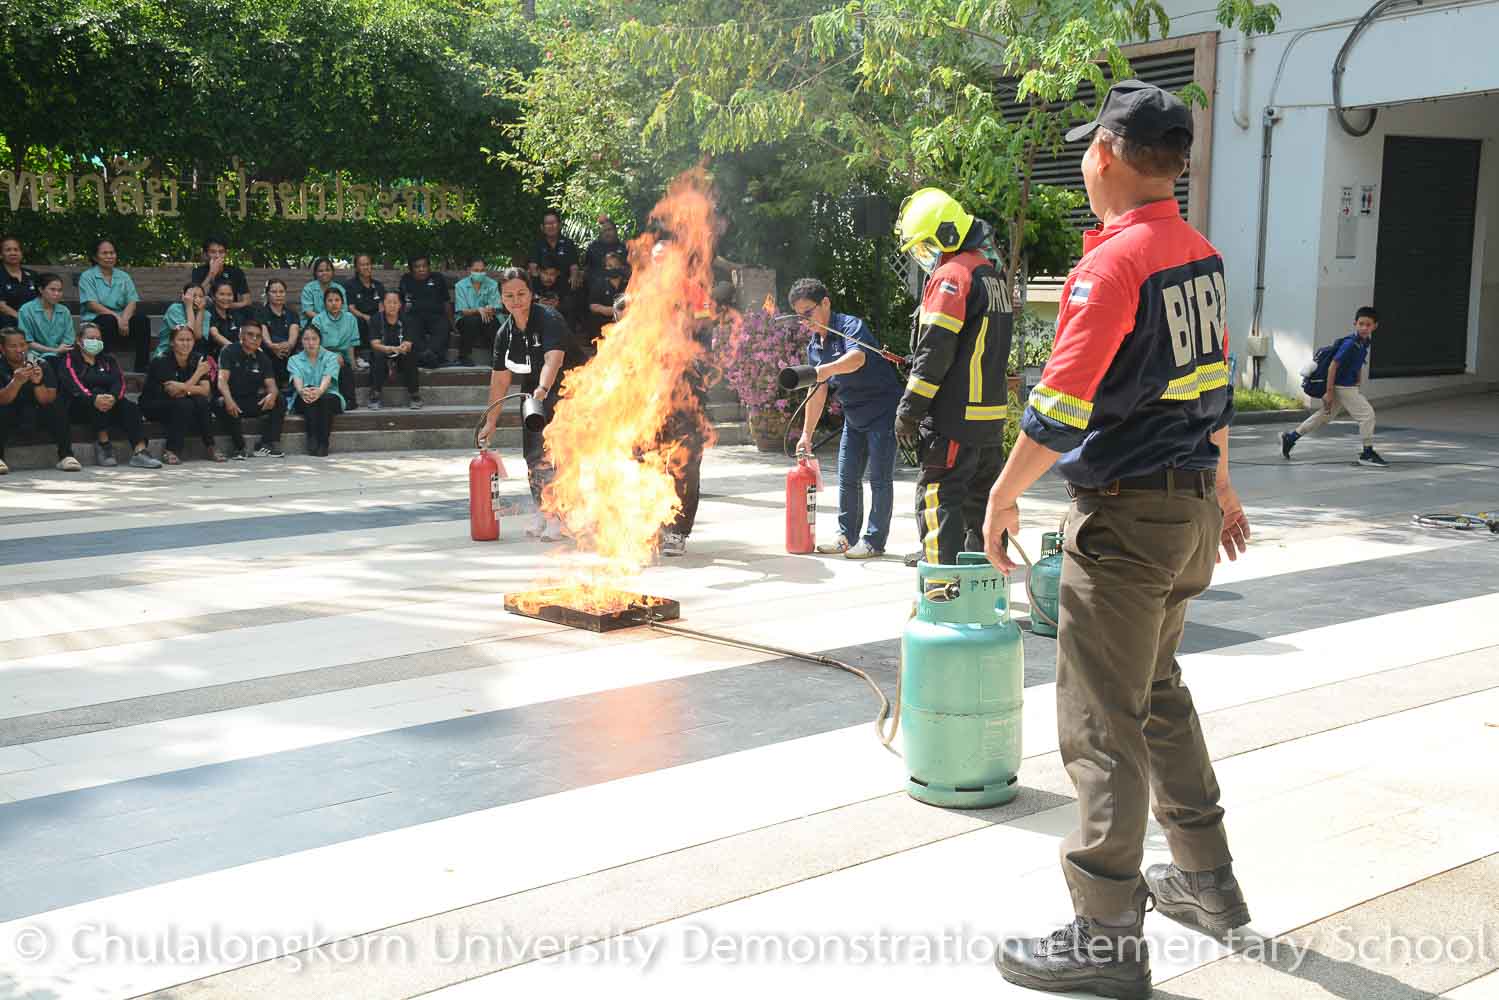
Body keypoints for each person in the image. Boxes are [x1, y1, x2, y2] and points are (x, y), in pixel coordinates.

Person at [981, 81, 1252, 999]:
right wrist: (1221, 488)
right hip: (1187, 515)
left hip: (1128, 519)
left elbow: (1059, 406)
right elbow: (1211, 386)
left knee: (1101, 721)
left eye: (1086, 150)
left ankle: (1103, 935)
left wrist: (1001, 495)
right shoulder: (1199, 256)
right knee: (1157, 694)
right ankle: (1206, 882)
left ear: (1102, 153)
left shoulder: (1112, 266)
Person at [892, 187, 1013, 567]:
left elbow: (935, 354)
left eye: (925, 246)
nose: (924, 255)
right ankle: (985, 588)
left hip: (953, 420)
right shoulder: (990, 274)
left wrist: (909, 412)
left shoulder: (952, 276)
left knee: (938, 501)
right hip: (989, 419)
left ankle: (941, 590)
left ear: (946, 234)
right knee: (983, 510)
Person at [790, 278, 903, 559]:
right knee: (847, 477)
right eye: (799, 317)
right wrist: (806, 435)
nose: (805, 322)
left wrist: (823, 370)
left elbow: (857, 359)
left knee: (879, 479)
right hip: (853, 417)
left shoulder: (850, 326)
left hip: (882, 411)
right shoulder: (815, 345)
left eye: (808, 313)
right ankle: (846, 536)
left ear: (825, 303)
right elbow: (817, 391)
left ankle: (874, 541)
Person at [478, 269, 566, 541]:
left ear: (531, 293)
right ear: (501, 298)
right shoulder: (504, 333)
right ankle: (544, 510)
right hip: (533, 393)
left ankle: (560, 516)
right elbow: (500, 380)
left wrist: (543, 388)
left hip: (566, 387)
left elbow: (554, 360)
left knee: (559, 454)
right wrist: (491, 421)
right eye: (509, 296)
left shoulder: (549, 318)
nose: (515, 300)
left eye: (521, 294)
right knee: (534, 454)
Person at [651, 234, 715, 558]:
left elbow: (704, 336)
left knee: (685, 464)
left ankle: (678, 530)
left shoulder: (694, 292)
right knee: (646, 460)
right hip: (649, 392)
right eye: (657, 260)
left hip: (687, 392)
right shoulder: (643, 294)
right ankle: (651, 525)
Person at [1281, 307, 1387, 467]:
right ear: (1355, 324)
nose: (1364, 328)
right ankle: (1367, 453)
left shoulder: (1364, 342)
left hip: (1346, 385)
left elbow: (1358, 361)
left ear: (1375, 326)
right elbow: (1333, 366)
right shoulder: (1350, 343)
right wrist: (1329, 392)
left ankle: (1291, 437)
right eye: (1361, 324)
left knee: (1325, 416)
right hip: (1343, 386)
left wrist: (1358, 377)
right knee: (1367, 415)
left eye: (1368, 325)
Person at [57, 322, 161, 468]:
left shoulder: (108, 360)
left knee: (130, 407)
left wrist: (113, 397)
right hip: (80, 405)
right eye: (91, 338)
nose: (95, 341)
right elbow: (73, 384)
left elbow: (119, 382)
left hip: (109, 403)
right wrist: (93, 398)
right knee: (98, 395)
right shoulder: (70, 359)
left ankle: (140, 451)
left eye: (98, 338)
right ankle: (104, 445)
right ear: (79, 341)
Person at [0, 327, 80, 473]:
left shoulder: (41, 364)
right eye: (13, 346)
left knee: (58, 403)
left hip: (35, 412)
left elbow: (47, 399)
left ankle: (66, 456)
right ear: (2, 349)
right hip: (9, 412)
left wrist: (37, 382)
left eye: (22, 345)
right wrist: (16, 382)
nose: (19, 350)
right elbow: (2, 400)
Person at [140, 325, 221, 464]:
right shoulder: (161, 360)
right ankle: (171, 450)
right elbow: (173, 392)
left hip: (183, 402)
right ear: (172, 342)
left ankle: (210, 446)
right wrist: (197, 374)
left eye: (189, 340)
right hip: (154, 404)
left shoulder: (198, 359)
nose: (185, 343)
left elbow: (205, 390)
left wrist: (184, 388)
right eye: (181, 340)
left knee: (201, 401)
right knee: (184, 403)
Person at [78, 239, 151, 372]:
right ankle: (104, 365)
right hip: (98, 320)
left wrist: (124, 319)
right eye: (104, 253)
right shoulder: (87, 276)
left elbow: (132, 302)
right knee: (108, 320)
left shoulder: (124, 276)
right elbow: (91, 304)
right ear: (95, 257)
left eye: (112, 253)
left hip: (122, 323)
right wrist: (118, 318)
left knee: (142, 320)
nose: (109, 256)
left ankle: (142, 366)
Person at [216, 320, 285, 460]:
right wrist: (229, 400)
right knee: (222, 402)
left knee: (279, 400)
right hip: (231, 398)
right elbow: (222, 380)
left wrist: (272, 395)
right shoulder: (228, 351)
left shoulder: (263, 357)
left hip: (250, 401)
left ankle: (267, 445)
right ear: (241, 335)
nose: (254, 339)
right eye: (250, 334)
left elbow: (272, 385)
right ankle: (239, 448)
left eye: (258, 336)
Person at [287, 326, 344, 457]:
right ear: (301, 341)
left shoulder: (332, 357)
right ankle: (312, 438)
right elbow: (297, 379)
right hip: (304, 396)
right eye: (306, 339)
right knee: (309, 399)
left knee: (324, 400)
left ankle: (323, 443)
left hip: (329, 395)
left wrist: (320, 391)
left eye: (314, 339)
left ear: (320, 340)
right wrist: (302, 391)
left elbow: (327, 377)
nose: (310, 343)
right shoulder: (294, 359)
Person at [368, 290, 421, 410]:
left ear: (400, 305)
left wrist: (402, 348)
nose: (392, 305)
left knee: (410, 355)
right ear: (383, 304)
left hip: (400, 353)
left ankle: (414, 394)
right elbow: (375, 344)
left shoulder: (407, 319)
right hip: (383, 352)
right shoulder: (376, 319)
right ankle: (375, 394)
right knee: (377, 356)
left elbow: (408, 343)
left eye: (395, 302)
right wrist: (389, 348)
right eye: (389, 302)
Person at [309, 286, 360, 410]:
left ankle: (350, 400)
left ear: (342, 302)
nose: (334, 303)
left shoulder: (350, 318)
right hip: (321, 355)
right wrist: (332, 356)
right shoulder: (318, 320)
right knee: (337, 364)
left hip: (343, 356)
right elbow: (313, 344)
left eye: (337, 300)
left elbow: (352, 343)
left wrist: (353, 362)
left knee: (347, 368)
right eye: (330, 300)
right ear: (325, 303)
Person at [399, 255, 453, 369]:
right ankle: (430, 357)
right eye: (417, 267)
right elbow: (402, 303)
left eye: (424, 266)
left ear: (429, 267)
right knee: (410, 328)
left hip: (436, 316)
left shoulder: (438, 278)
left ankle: (428, 355)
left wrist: (451, 321)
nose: (421, 269)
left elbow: (446, 302)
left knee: (443, 327)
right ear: (411, 269)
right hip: (415, 316)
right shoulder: (406, 279)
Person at [17, 273, 76, 363]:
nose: (56, 294)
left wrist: (58, 351)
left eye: (59, 290)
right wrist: (53, 351)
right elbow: (28, 342)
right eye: (52, 289)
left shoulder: (64, 311)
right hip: (35, 356)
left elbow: (69, 339)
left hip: (61, 354)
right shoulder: (26, 310)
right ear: (41, 289)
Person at [454, 257, 501, 367]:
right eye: (476, 270)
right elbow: (462, 310)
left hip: (488, 317)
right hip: (467, 319)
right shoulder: (460, 286)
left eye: (482, 270)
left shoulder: (492, 284)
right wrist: (478, 310)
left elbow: (497, 306)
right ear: (469, 270)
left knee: (491, 321)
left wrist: (490, 309)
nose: (479, 273)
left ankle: (497, 358)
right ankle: (464, 356)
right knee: (471, 321)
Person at [256, 278, 301, 385]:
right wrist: (273, 347)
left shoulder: (292, 313)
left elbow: (293, 335)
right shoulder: (260, 312)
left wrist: (288, 346)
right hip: (268, 351)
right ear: (267, 294)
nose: (278, 295)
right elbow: (265, 337)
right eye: (274, 292)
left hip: (289, 351)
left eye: (281, 292)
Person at [583, 250, 628, 353]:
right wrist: (612, 310)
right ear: (605, 268)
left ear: (621, 266)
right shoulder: (599, 283)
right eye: (609, 266)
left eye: (616, 265)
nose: (613, 268)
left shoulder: (629, 283)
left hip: (625, 321)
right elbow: (593, 306)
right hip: (604, 322)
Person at [190, 236, 251, 311]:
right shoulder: (198, 271)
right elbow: (196, 298)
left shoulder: (236, 272)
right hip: (206, 313)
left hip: (230, 312)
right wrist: (211, 274)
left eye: (221, 252)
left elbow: (247, 301)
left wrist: (224, 305)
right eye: (213, 252)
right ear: (205, 254)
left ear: (225, 254)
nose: (217, 256)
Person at [343, 253, 385, 359]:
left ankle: (384, 353)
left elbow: (382, 306)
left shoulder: (378, 285)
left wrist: (377, 318)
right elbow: (351, 308)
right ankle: (361, 353)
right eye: (362, 265)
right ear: (356, 268)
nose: (366, 267)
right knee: (358, 321)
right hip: (359, 316)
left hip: (376, 317)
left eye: (368, 264)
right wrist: (365, 316)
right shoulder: (350, 285)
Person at [156, 282, 211, 358]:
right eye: (193, 296)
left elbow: (197, 336)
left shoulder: (206, 314)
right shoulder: (175, 309)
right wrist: (189, 306)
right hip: (167, 353)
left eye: (201, 296)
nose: (198, 299)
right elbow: (187, 334)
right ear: (184, 297)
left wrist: (200, 311)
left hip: (191, 355)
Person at [530, 209, 582, 290]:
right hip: (543, 286)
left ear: (560, 225)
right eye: (547, 223)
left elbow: (574, 265)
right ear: (542, 227)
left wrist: (573, 278)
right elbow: (533, 267)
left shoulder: (568, 243)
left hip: (565, 286)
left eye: (554, 223)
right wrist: (536, 286)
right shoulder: (537, 244)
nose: (551, 226)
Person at [0, 236, 40, 325]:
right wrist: (22, 318)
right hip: (7, 324)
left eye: (16, 250)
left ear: (21, 253)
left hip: (33, 321)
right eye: (8, 250)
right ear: (1, 255)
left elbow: (42, 299)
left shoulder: (32, 275)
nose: (13, 253)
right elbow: (1, 306)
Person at [299, 258, 347, 328]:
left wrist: (333, 321)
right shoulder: (309, 288)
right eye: (320, 271)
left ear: (332, 272)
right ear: (315, 273)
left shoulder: (339, 289)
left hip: (336, 322)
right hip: (313, 322)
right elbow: (308, 312)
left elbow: (343, 309)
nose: (324, 273)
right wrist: (326, 321)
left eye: (327, 270)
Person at [583, 214, 627, 283]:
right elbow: (586, 270)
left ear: (615, 231)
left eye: (609, 230)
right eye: (604, 231)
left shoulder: (624, 248)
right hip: (598, 285)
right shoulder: (593, 248)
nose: (607, 233)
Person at [206, 278, 247, 352]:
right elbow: (215, 335)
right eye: (222, 294)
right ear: (213, 296)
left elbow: (244, 334)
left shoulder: (235, 314)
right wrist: (237, 350)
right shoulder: (208, 313)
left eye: (229, 294)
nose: (226, 298)